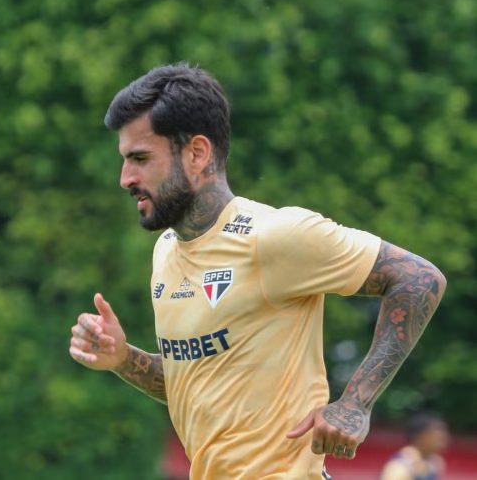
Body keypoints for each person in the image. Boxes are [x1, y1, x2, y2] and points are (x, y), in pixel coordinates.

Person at [69, 63, 447, 479]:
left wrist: (355, 402)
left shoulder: (274, 235)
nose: (125, 178)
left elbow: (419, 278)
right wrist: (123, 358)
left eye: (139, 158)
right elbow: (191, 385)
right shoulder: (166, 252)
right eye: (125, 160)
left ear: (197, 153)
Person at [379, 412, 449, 480]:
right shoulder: (399, 469)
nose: (443, 436)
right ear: (420, 436)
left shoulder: (435, 463)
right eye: (437, 431)